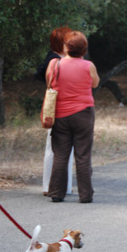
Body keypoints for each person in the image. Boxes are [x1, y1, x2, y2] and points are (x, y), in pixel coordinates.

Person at [46, 31, 100, 203]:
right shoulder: (88, 65)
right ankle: (85, 195)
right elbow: (95, 83)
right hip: (83, 113)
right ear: (84, 49)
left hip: (61, 113)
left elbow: (49, 81)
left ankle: (56, 192)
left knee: (60, 155)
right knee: (83, 155)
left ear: (65, 47)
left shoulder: (55, 64)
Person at [35, 26, 74, 195]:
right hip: (59, 106)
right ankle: (50, 186)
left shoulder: (59, 59)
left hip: (62, 105)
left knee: (61, 148)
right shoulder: (55, 60)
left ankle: (61, 185)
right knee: (54, 147)